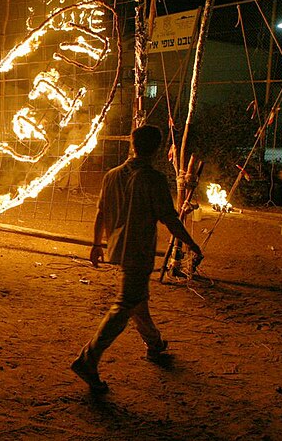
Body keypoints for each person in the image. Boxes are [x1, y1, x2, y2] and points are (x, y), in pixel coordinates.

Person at [71, 125, 203, 394]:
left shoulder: (112, 175)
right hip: (139, 250)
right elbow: (168, 218)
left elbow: (100, 213)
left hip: (118, 247)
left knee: (137, 301)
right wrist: (191, 243)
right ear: (156, 149)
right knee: (125, 304)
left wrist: (97, 244)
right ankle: (88, 359)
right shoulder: (152, 179)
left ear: (132, 144)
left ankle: (155, 345)